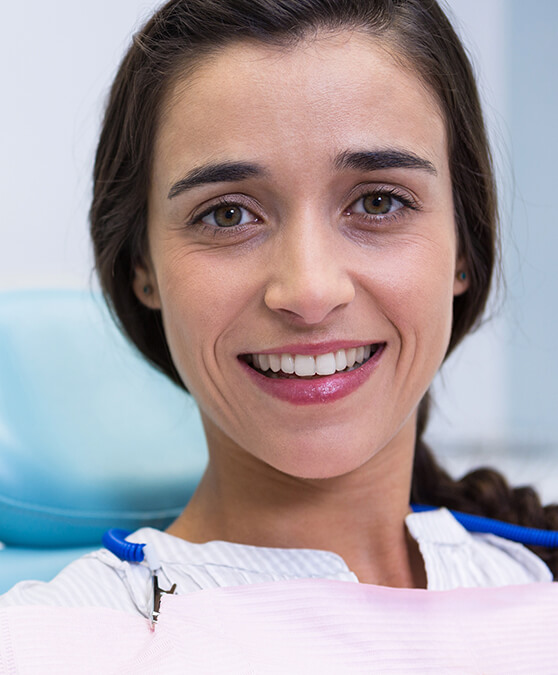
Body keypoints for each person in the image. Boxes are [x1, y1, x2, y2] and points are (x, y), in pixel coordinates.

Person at [1, 0, 557, 649]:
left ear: (464, 246)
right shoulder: (56, 641)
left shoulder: (529, 579)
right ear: (141, 269)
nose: (310, 290)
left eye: (378, 202)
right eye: (228, 215)